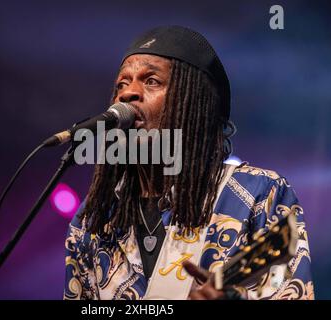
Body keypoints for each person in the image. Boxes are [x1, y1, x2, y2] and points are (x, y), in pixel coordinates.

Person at [63, 25, 313, 300]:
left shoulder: (259, 194)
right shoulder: (95, 218)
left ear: (195, 104)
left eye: (151, 81)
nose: (127, 94)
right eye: (122, 84)